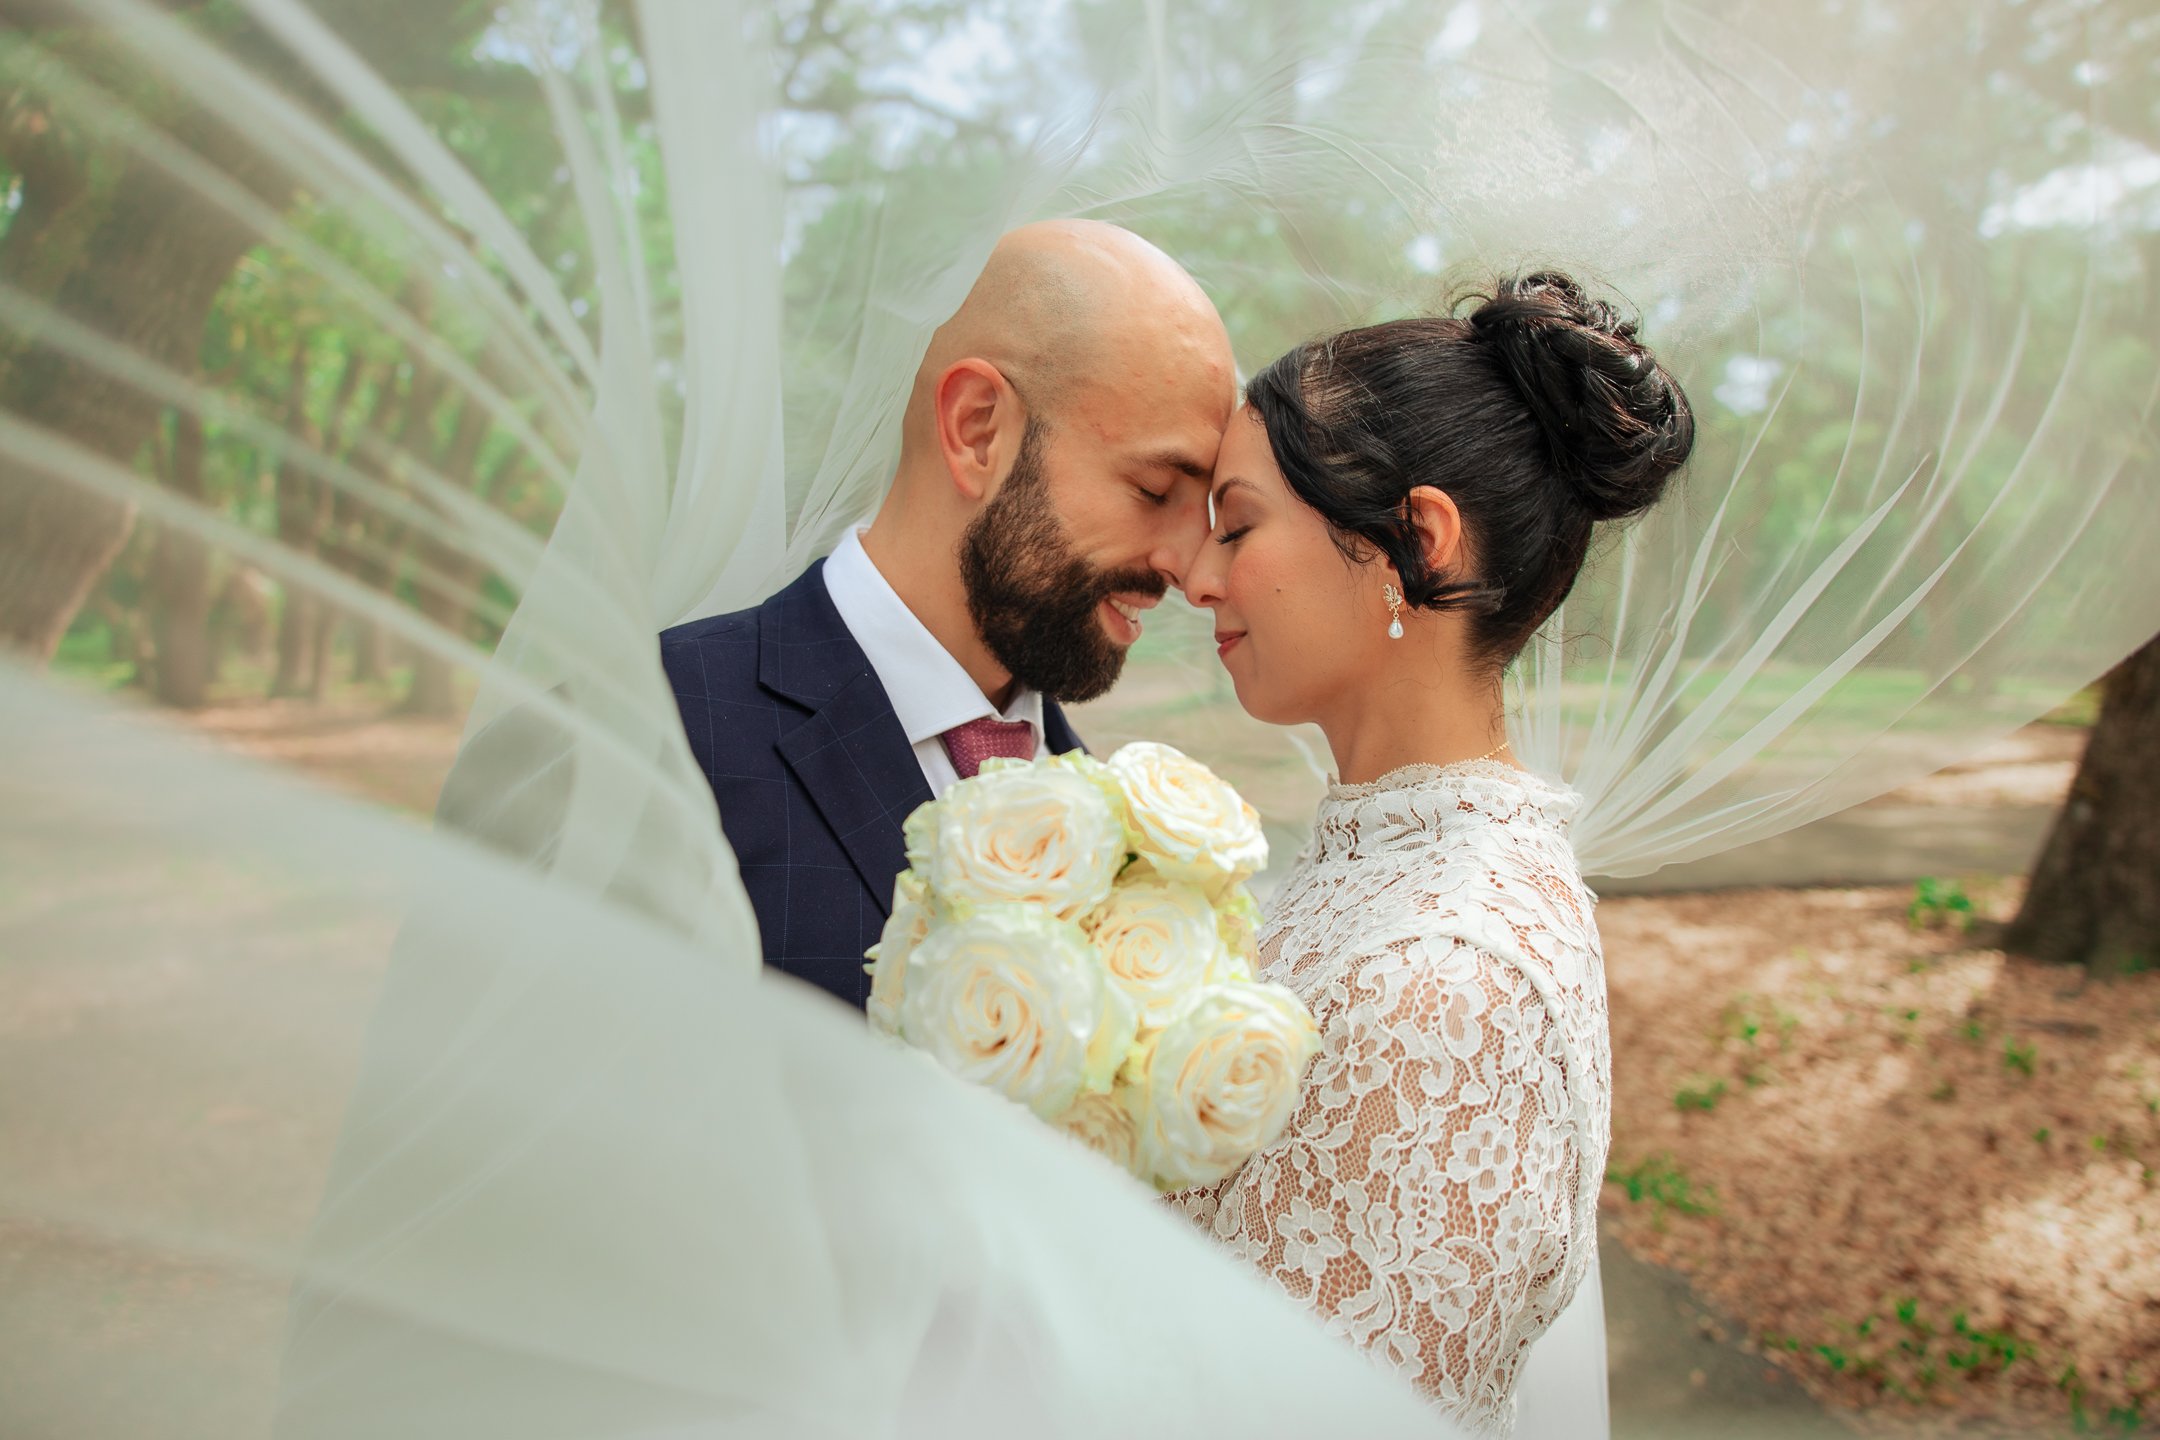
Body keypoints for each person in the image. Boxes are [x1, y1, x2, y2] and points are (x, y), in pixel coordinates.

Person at [1173, 272, 1695, 1436]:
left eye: (1240, 524)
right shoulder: (1387, 863)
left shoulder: (1447, 981)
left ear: (1414, 538)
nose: (1198, 578)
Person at [657, 218, 1236, 1007]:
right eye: (1154, 491)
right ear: (976, 430)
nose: (1192, 564)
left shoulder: (1123, 828)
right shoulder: (652, 733)